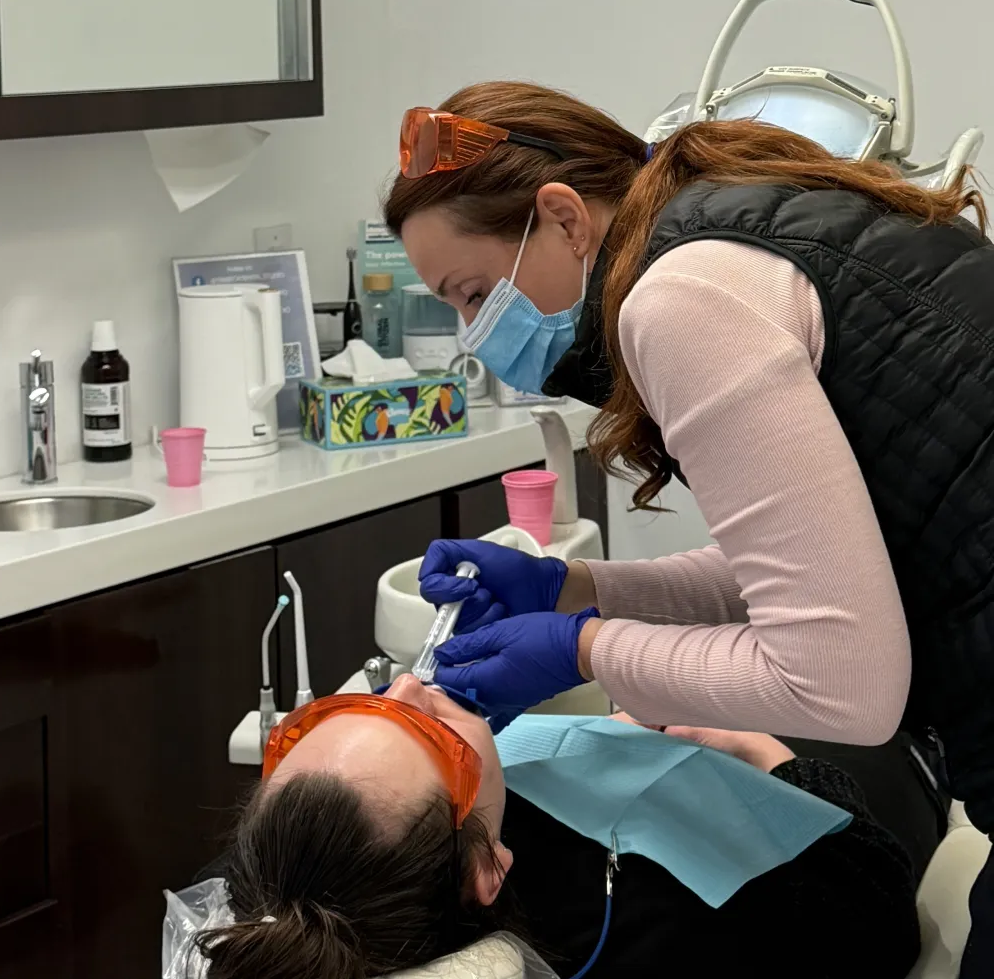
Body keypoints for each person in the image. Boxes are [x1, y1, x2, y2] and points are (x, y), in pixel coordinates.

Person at [384, 81, 994, 973]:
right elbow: (801, 567)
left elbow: (839, 679)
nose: (474, 335)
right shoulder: (730, 226)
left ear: (562, 217)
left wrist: (583, 647)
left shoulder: (680, 300)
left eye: (473, 293)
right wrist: (576, 588)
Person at [192, 675, 924, 979]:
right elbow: (883, 904)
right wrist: (759, 752)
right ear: (488, 867)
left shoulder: (294, 895)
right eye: (430, 733)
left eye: (352, 704)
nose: (409, 683)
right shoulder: (662, 918)